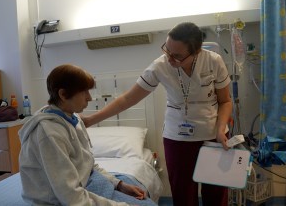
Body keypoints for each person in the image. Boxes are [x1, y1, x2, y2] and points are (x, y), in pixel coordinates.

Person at [83, 22, 232, 206]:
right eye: (167, 50)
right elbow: (127, 99)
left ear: (196, 53)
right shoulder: (159, 66)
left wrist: (220, 130)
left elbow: (225, 101)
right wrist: (91, 119)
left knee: (216, 195)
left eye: (176, 56)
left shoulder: (213, 61)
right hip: (178, 138)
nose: (169, 58)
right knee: (183, 195)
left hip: (213, 136)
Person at [18, 64, 156, 206]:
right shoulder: (49, 134)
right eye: (84, 92)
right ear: (63, 94)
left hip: (85, 183)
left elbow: (87, 164)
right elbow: (71, 197)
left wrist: (119, 184)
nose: (89, 98)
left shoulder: (73, 118)